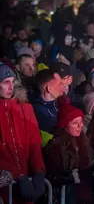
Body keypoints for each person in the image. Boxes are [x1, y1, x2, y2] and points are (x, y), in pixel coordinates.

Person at [0, 64, 46, 204]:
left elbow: (34, 142)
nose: (10, 87)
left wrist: (38, 171)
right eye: (5, 82)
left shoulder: (25, 107)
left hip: (26, 185)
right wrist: (17, 175)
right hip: (5, 186)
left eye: (13, 82)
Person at [43, 102, 94, 204]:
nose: (80, 126)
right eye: (75, 123)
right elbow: (52, 173)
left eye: (81, 121)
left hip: (82, 194)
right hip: (63, 195)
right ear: (65, 125)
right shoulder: (55, 145)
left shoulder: (84, 141)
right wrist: (68, 176)